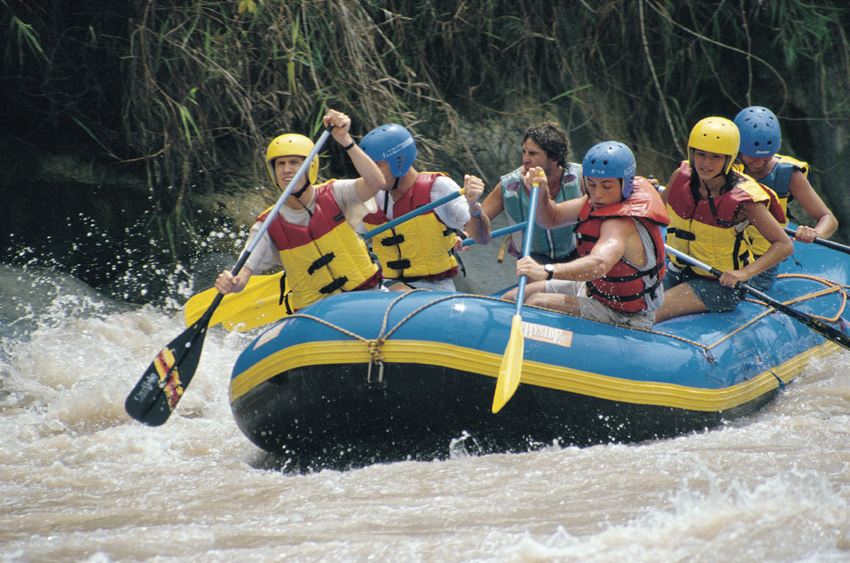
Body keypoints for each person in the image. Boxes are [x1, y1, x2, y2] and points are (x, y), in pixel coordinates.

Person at [215, 109, 386, 312]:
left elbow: (376, 183)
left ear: (310, 167)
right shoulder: (266, 226)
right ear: (273, 172)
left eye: (295, 162)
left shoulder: (335, 193)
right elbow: (243, 273)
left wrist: (344, 139)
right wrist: (232, 283)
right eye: (280, 164)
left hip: (367, 295)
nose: (287, 169)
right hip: (317, 314)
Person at [502, 141, 669, 330]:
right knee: (511, 298)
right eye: (591, 184)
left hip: (624, 314)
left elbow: (599, 264)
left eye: (606, 186)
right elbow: (551, 218)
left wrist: (547, 271)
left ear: (626, 184)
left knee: (538, 302)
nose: (597, 194)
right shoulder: (594, 202)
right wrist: (541, 192)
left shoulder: (622, 224)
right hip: (592, 290)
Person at [655, 117, 794, 323]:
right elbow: (653, 216)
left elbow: (784, 245)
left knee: (649, 312)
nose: (706, 163)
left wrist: (744, 273)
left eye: (715, 157)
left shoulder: (744, 200)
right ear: (691, 153)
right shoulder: (680, 177)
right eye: (700, 154)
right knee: (631, 306)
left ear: (729, 159)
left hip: (718, 286)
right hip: (677, 271)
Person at [359, 123, 491, 292]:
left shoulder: (440, 189)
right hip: (388, 286)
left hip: (434, 288)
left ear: (399, 162)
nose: (370, 175)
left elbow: (482, 238)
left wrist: (474, 207)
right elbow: (356, 245)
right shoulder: (372, 196)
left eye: (377, 166)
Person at [733, 106, 838, 287]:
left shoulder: (788, 174)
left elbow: (828, 218)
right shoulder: (722, 166)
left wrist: (816, 233)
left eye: (766, 157)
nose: (759, 163)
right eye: (752, 157)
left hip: (763, 261)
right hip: (725, 251)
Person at [479, 122, 583, 264]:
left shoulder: (580, 177)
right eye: (524, 152)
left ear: (555, 158)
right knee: (532, 274)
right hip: (533, 258)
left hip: (577, 253)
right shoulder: (509, 186)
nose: (525, 159)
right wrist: (472, 211)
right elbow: (478, 220)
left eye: (533, 154)